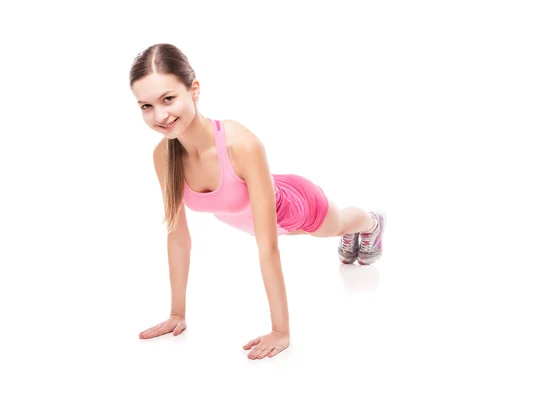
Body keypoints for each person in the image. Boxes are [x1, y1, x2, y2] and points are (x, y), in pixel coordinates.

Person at [129, 43, 387, 360]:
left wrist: (280, 331)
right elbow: (178, 238)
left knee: (337, 225)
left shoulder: (240, 143)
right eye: (146, 106)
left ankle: (372, 223)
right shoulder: (163, 156)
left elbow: (268, 249)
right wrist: (177, 313)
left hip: (294, 208)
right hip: (256, 221)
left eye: (168, 99)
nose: (160, 115)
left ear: (194, 90)